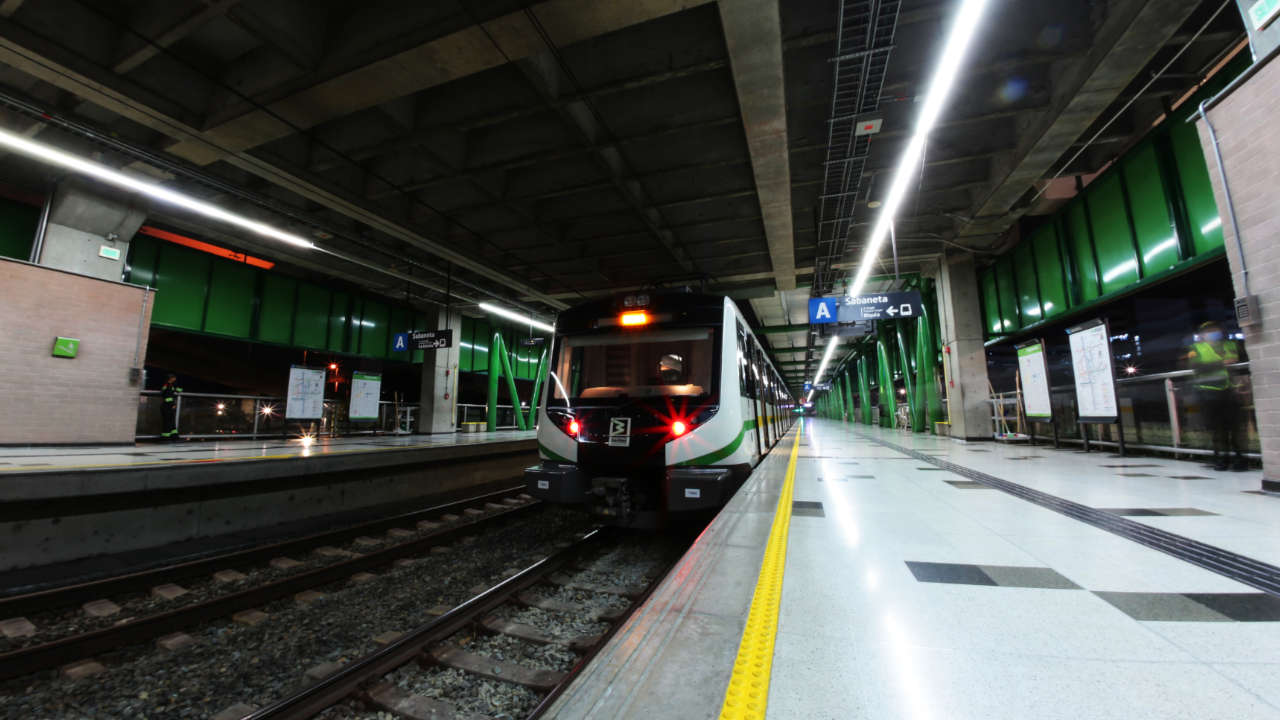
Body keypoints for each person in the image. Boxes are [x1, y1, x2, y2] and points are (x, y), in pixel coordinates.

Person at [1187, 321, 1246, 471]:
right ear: (1202, 335)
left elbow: (1238, 361)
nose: (1213, 332)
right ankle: (1221, 459)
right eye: (1209, 331)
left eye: (1215, 329)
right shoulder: (1196, 349)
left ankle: (1239, 459)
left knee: (1234, 427)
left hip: (1230, 391)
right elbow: (1197, 367)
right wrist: (1221, 363)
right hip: (1208, 392)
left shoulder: (1230, 345)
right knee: (1217, 428)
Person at [160, 373, 183, 441]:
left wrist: (179, 389)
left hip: (167, 406)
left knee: (171, 422)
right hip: (167, 406)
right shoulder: (168, 386)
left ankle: (174, 436)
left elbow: (177, 389)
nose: (175, 379)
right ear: (171, 378)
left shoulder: (169, 385)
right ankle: (165, 437)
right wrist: (172, 404)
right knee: (168, 422)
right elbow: (168, 396)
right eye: (174, 378)